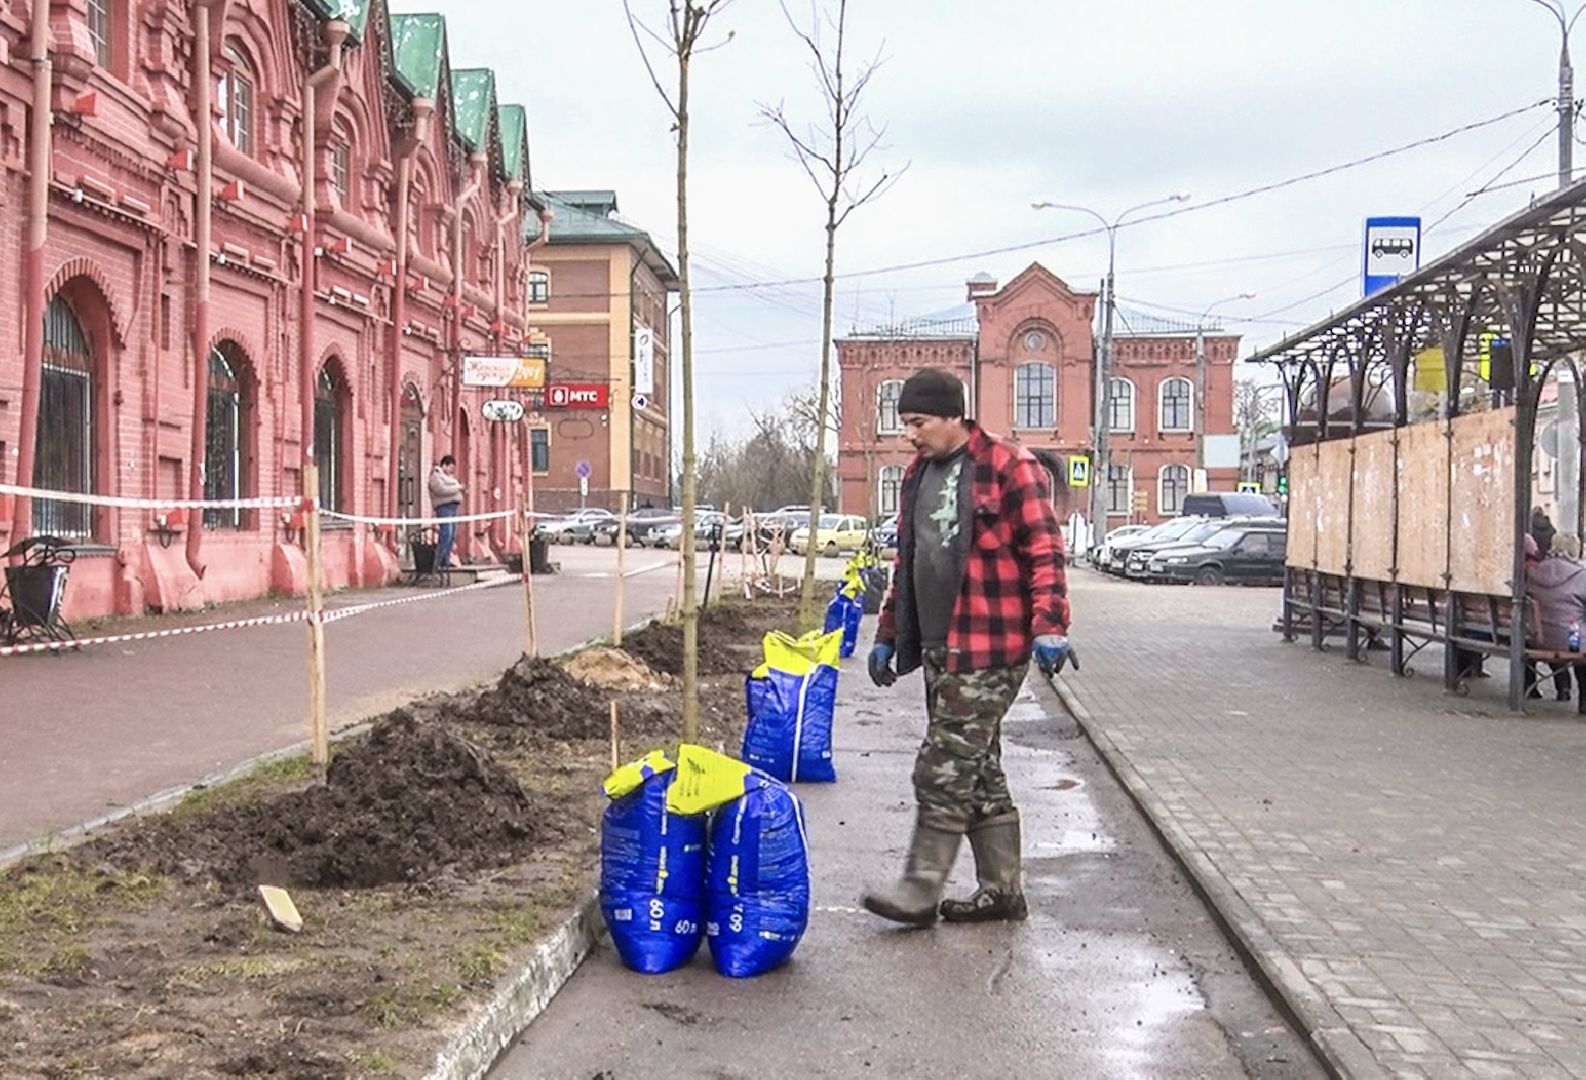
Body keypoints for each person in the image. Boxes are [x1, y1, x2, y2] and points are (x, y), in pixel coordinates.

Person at [862, 367, 1074, 927]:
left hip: (991, 643)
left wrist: (1049, 623)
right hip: (938, 645)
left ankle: (919, 890)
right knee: (980, 770)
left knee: (946, 762)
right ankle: (1002, 892)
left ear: (954, 415)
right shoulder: (917, 476)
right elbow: (908, 560)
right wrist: (888, 635)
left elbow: (1045, 550)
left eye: (919, 421)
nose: (910, 433)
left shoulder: (1008, 466)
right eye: (905, 422)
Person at [1528, 532, 1586, 708]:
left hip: (1536, 637)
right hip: (1571, 639)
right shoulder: (1581, 575)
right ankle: (1584, 701)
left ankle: (1559, 688)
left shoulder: (1535, 571)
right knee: (1578, 635)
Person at [429, 454, 465, 569]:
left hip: (453, 508)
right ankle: (439, 560)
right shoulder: (436, 475)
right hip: (444, 507)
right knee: (446, 533)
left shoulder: (449, 478)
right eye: (450, 468)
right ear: (444, 465)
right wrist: (458, 488)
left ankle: (446, 559)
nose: (451, 471)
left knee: (452, 535)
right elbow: (441, 490)